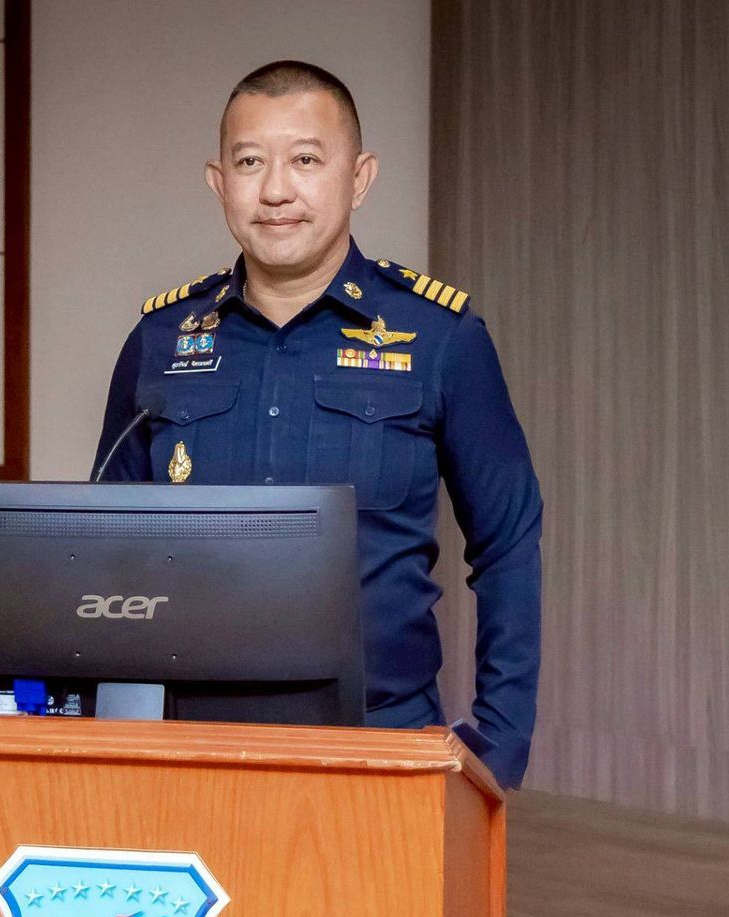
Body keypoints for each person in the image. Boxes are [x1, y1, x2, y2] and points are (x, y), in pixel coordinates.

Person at [91, 60, 543, 788]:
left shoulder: (441, 338)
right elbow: (102, 549)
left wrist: (500, 739)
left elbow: (508, 542)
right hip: (188, 745)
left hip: (380, 745)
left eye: (305, 160)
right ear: (218, 182)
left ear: (359, 178)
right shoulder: (161, 340)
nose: (276, 191)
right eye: (250, 163)